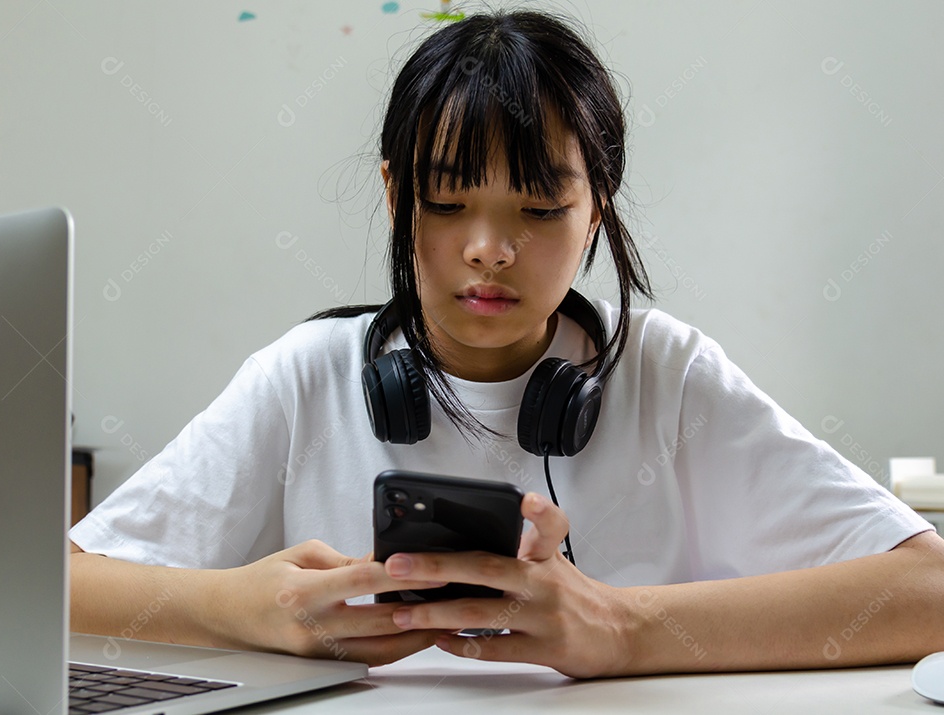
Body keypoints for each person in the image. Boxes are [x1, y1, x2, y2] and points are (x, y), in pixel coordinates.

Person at [69, 9, 944, 678]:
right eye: (447, 204)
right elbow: (57, 585)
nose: (489, 248)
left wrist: (622, 627)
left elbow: (929, 591)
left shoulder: (667, 374)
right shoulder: (305, 377)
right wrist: (241, 607)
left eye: (538, 209)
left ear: (596, 207)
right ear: (393, 195)